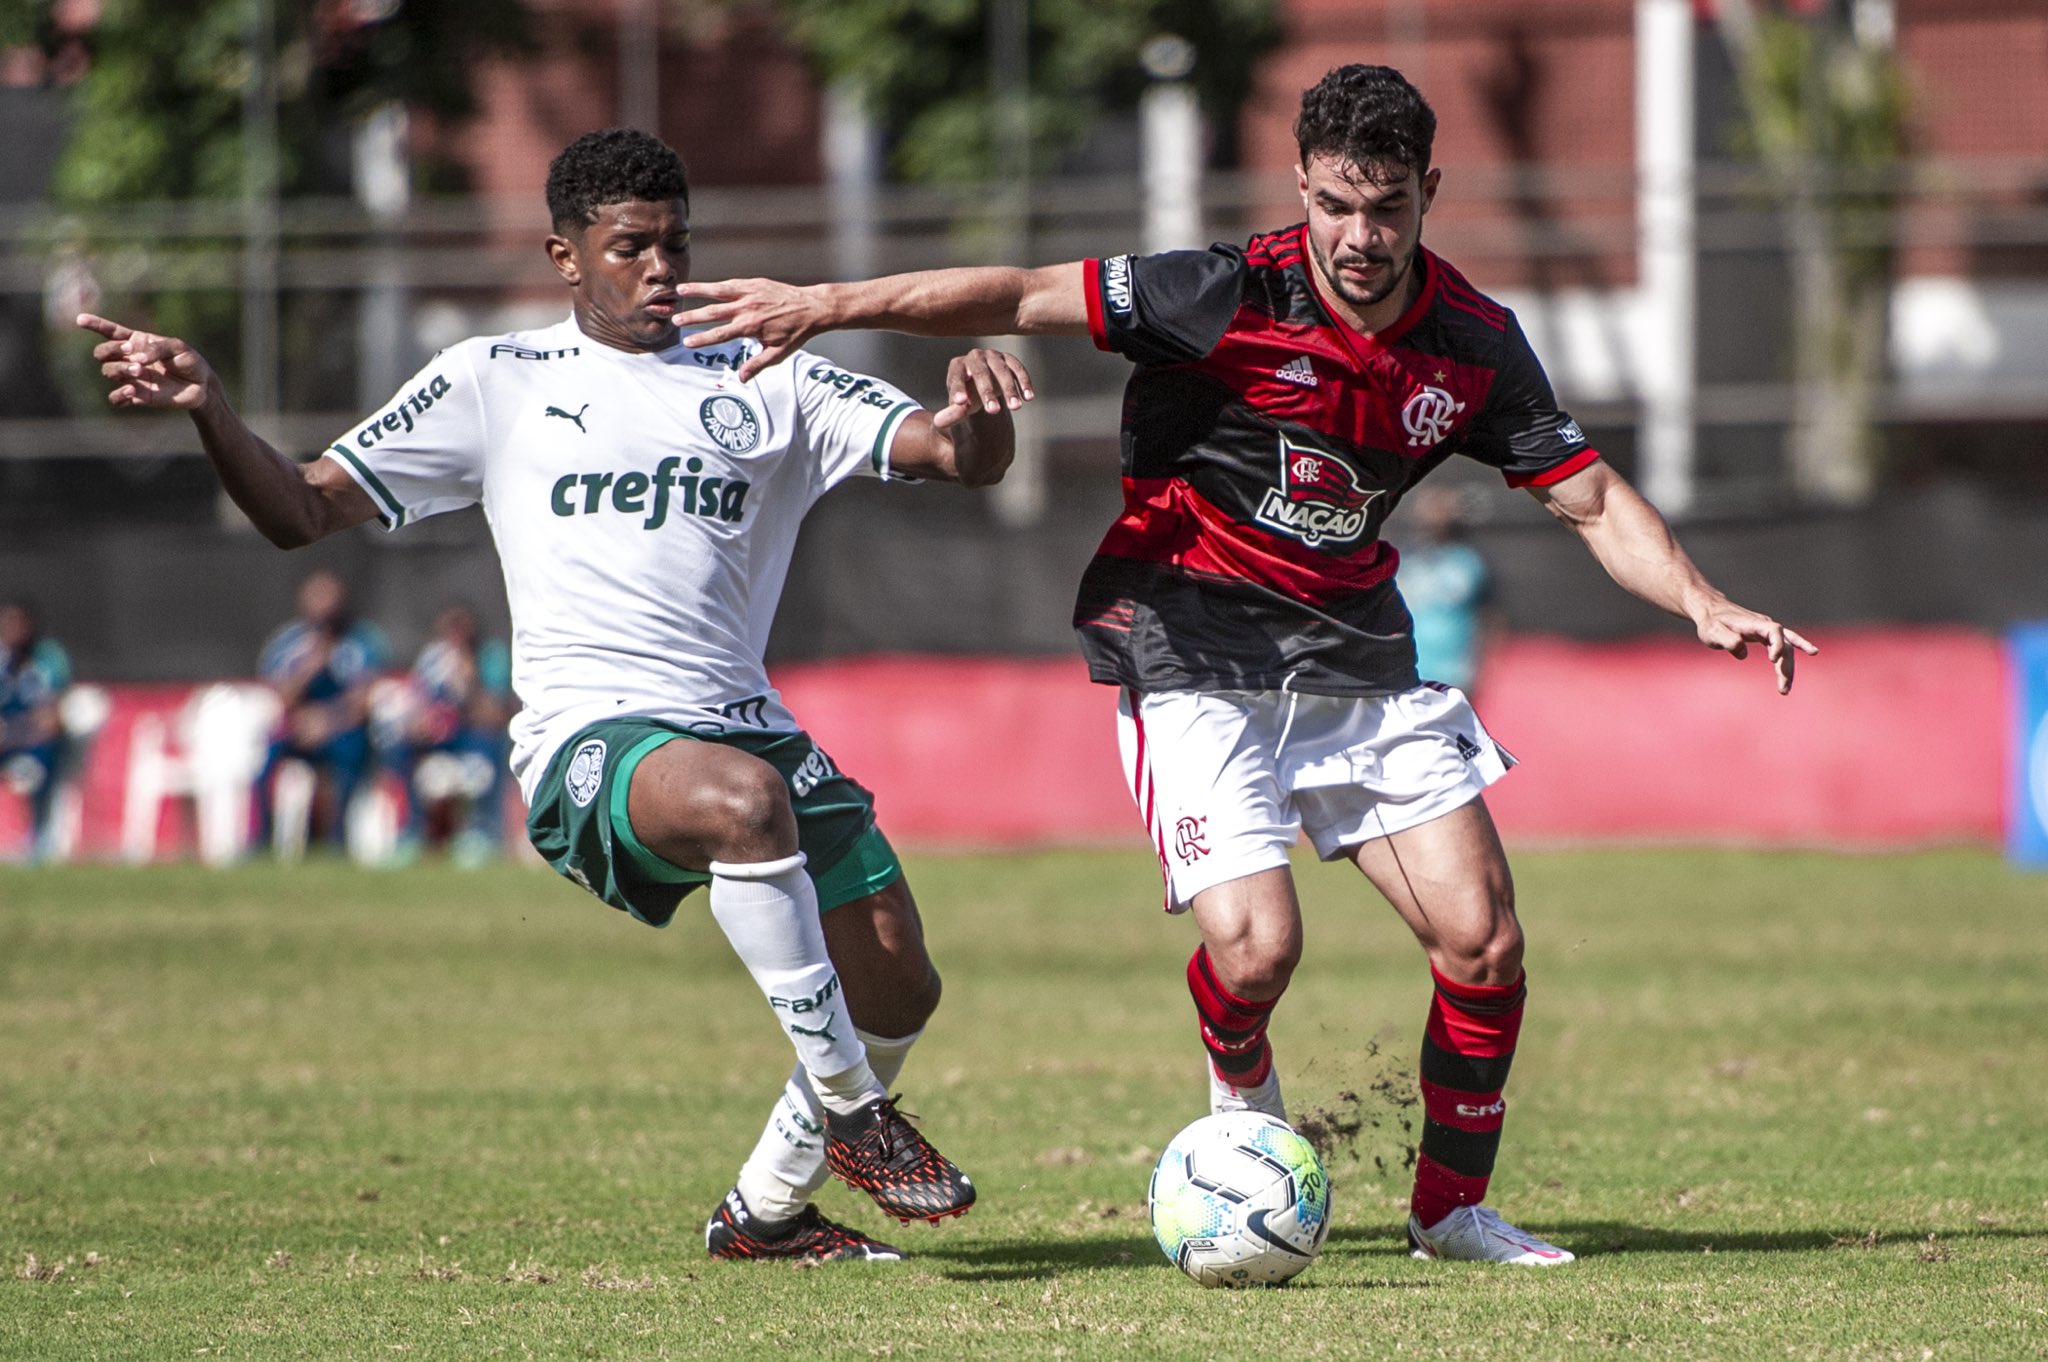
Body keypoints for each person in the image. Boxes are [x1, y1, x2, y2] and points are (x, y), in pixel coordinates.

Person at [676, 64, 1817, 1267]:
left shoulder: (1473, 343)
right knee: (1260, 948)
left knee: (1484, 941)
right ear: (1300, 188)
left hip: (1357, 665)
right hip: (1187, 651)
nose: (1359, 236)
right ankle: (1238, 1096)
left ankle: (1448, 1214)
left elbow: (1585, 498)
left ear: (1429, 191)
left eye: (1384, 208)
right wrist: (825, 302)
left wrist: (1698, 598)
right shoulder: (1218, 290)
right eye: (1335, 205)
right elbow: (1016, 291)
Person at [80, 128, 1036, 1265]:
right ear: (565, 256)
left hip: (745, 722)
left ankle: (766, 1215)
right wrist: (208, 408)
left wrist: (982, 414)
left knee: (895, 980)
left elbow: (952, 457)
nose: (662, 270)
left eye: (676, 245)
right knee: (741, 806)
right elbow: (298, 509)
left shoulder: (765, 366)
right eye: (631, 247)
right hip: (592, 738)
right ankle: (852, 1113)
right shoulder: (494, 380)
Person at [254, 569, 389, 853]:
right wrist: (310, 667)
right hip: (300, 728)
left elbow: (363, 700)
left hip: (342, 728)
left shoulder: (361, 640)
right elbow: (280, 696)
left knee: (351, 755)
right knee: (266, 759)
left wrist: (326, 721)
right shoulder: (289, 641)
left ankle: (337, 842)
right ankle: (262, 840)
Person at [384, 603, 514, 865]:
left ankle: (482, 831)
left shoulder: (490, 657)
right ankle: (412, 831)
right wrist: (420, 722)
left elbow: (497, 715)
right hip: (437, 736)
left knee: (488, 748)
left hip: (473, 735)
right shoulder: (432, 658)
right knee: (399, 748)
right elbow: (416, 699)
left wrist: (470, 681)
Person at [1397, 484, 1497, 703]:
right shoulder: (1402, 561)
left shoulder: (1470, 561)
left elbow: (1488, 617)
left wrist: (1480, 667)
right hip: (1409, 672)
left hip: (1456, 673)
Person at [0, 600, 74, 862]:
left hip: (36, 745)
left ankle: (40, 841)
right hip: (6, 741)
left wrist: (14, 734)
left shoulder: (47, 659)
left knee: (39, 764)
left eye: (16, 623)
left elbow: (51, 718)